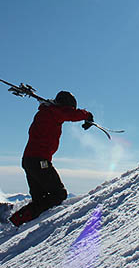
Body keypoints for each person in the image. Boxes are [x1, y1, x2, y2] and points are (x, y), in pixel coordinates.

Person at [9, 91, 94, 227]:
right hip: (39, 160)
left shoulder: (47, 112)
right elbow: (69, 114)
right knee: (59, 193)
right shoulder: (53, 112)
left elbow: (65, 113)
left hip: (30, 160)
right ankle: (20, 221)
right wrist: (87, 115)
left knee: (40, 199)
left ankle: (19, 222)